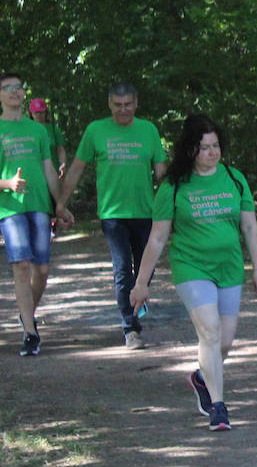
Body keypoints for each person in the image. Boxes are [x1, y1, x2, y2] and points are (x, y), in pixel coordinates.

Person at [130, 115, 257, 431]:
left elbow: (249, 226)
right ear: (191, 150)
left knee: (225, 341)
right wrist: (141, 283)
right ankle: (219, 406)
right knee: (209, 331)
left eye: (215, 146)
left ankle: (201, 377)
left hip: (229, 267)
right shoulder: (174, 186)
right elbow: (158, 237)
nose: (211, 152)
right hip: (191, 266)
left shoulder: (234, 179)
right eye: (204, 147)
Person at [56, 82, 167, 349]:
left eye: (128, 104)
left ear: (136, 103)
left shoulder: (148, 130)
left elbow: (162, 173)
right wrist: (61, 203)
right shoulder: (96, 130)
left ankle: (136, 311)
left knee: (145, 270)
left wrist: (173, 204)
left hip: (145, 211)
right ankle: (130, 328)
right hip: (113, 213)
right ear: (109, 105)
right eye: (118, 105)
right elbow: (75, 170)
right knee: (122, 270)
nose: (123, 110)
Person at [0, 74, 73, 356]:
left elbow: (48, 171)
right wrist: (7, 184)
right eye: (8, 88)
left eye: (18, 88)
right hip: (9, 208)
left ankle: (26, 314)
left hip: (39, 205)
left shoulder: (38, 131)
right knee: (21, 265)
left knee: (41, 270)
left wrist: (61, 204)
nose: (15, 92)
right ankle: (30, 332)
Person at [28, 97, 67, 177]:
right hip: (33, 172)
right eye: (36, 112)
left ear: (45, 112)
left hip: (52, 171)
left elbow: (60, 149)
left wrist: (63, 164)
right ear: (31, 113)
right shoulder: (27, 129)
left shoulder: (53, 129)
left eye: (41, 112)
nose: (39, 115)